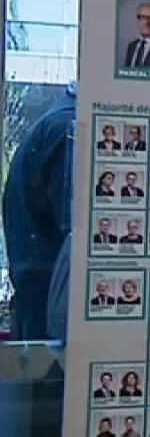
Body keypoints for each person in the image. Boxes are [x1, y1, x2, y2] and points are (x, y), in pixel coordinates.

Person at [2, 82, 75, 340]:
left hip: (40, 297)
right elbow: (76, 234)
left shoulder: (59, 122)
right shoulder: (69, 128)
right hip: (50, 303)